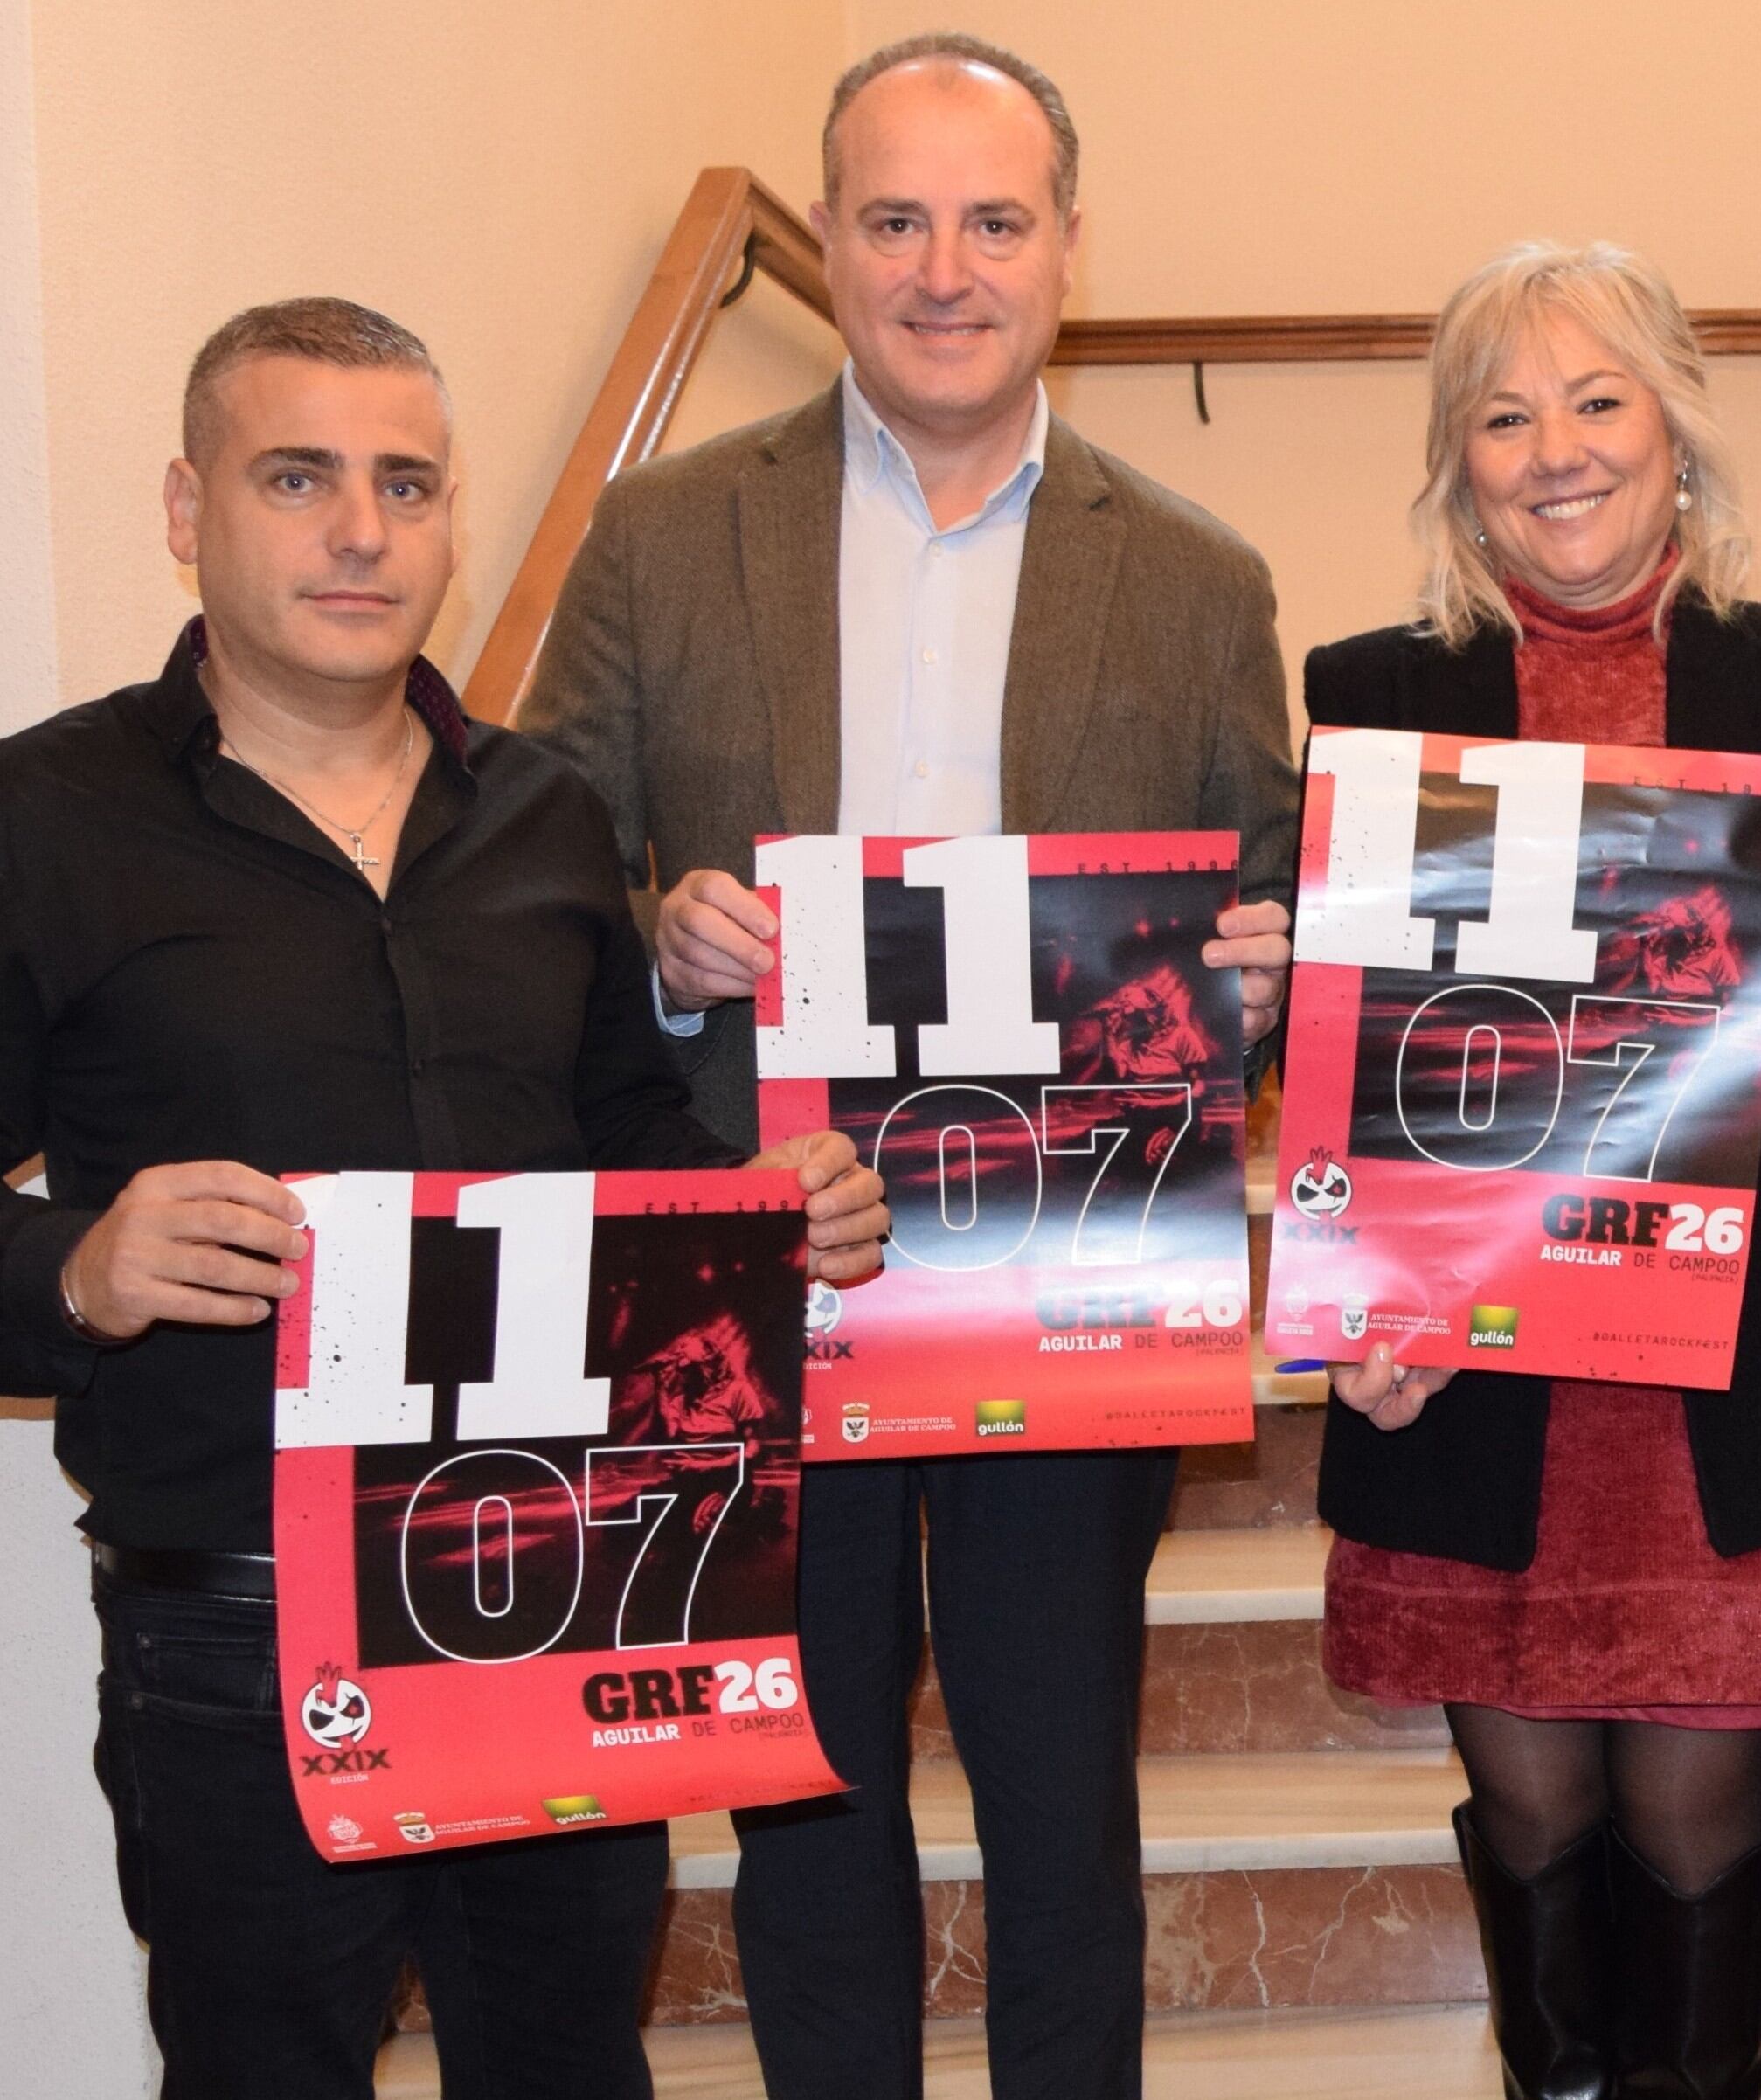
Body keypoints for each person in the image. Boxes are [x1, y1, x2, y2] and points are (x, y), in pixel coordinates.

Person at [523, 34, 1300, 2100]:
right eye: (893, 219)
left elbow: (1272, 895)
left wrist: (1268, 968)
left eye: (992, 218)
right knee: (805, 1798)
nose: (942, 267)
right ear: (829, 241)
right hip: (771, 1262)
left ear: (1067, 249)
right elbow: (540, 869)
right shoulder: (663, 535)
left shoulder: (1202, 572)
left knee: (1068, 1809)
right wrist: (665, 941)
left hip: (1075, 1276)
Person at [0, 297, 888, 2100]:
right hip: (236, 1615)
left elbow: (619, 1138)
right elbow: (52, 1262)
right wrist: (77, 1267)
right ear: (188, 506)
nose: (361, 530)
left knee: (570, 2064)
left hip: (559, 1570)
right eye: (299, 476)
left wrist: (756, 1218)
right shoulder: (48, 812)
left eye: (407, 484)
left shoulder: (549, 812)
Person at [1306, 240, 1761, 2100]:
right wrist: (1347, 1290)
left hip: (1719, 1363)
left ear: (1674, 431)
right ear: (1454, 462)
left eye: (1595, 399)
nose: (1554, 450)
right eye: (1502, 415)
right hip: (1484, 1360)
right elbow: (1353, 1055)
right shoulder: (1369, 689)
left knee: (1701, 1823)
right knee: (1535, 1826)